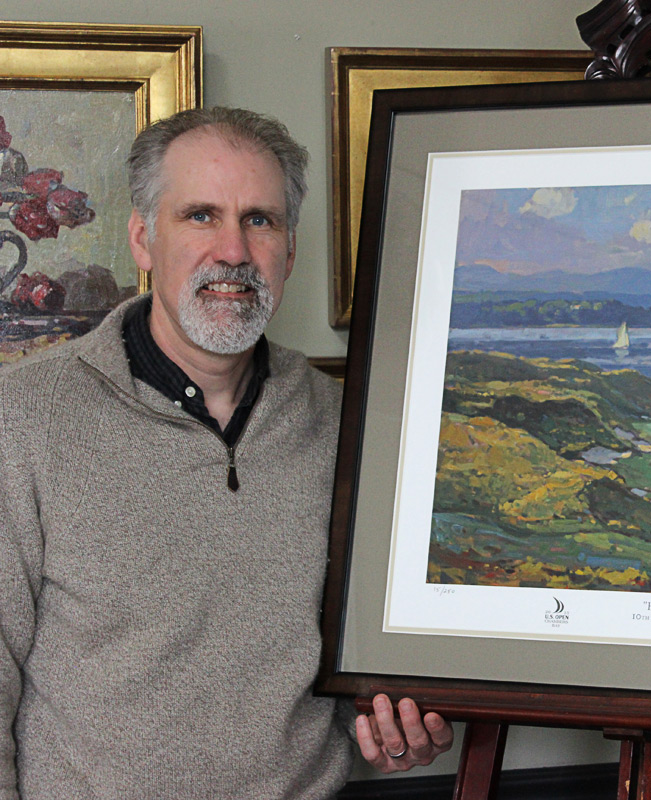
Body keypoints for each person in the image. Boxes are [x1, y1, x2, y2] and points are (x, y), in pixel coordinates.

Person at [0, 107, 452, 798]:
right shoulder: (24, 417)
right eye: (201, 216)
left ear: (290, 249)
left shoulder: (349, 423)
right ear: (143, 238)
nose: (234, 251)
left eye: (260, 220)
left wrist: (391, 716)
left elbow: (377, 656)